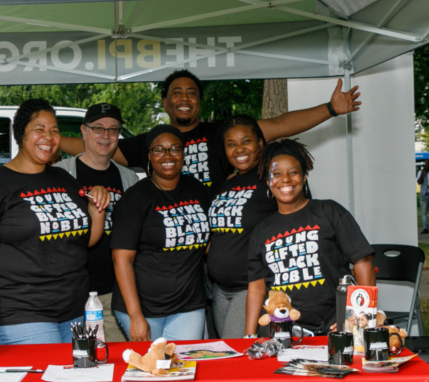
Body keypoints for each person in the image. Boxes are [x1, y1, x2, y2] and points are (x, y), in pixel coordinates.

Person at [0, 99, 109, 345]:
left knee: (76, 371)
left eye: (54, 130)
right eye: (39, 129)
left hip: (74, 311)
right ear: (21, 134)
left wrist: (97, 208)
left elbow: (87, 240)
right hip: (23, 314)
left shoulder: (64, 179)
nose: (48, 137)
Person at [59, 70, 361, 187]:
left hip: (222, 235)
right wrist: (51, 141)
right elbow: (98, 146)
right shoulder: (155, 141)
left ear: (200, 102)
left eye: (191, 93)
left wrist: (331, 108)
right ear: (165, 102)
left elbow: (280, 124)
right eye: (177, 93)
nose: (184, 98)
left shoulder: (224, 133)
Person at [244, 138, 374, 334]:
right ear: (268, 182)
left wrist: (358, 315)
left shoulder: (329, 211)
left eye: (293, 172)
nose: (285, 179)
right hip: (284, 329)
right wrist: (249, 335)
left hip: (336, 323)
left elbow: (363, 261)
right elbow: (257, 288)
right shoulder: (260, 231)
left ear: (304, 177)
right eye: (276, 174)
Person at [112, 125, 212, 341]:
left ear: (183, 154)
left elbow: (209, 239)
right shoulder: (135, 199)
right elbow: (122, 260)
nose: (168, 155)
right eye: (159, 149)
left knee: (183, 361)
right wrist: (135, 316)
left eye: (175, 149)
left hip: (188, 304)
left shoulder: (197, 190)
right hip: (144, 308)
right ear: (149, 155)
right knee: (153, 362)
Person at [52, 103, 138, 318]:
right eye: (98, 128)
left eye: (113, 129)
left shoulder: (130, 179)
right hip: (70, 292)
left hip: (114, 293)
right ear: (84, 131)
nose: (106, 136)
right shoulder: (59, 175)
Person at [206, 114, 279, 338]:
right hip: (219, 289)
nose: (239, 149)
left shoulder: (271, 180)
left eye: (246, 141)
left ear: (260, 143)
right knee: (230, 350)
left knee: (234, 348)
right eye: (231, 144)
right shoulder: (227, 183)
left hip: (250, 287)